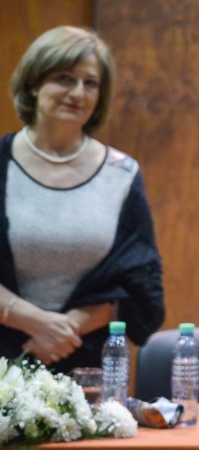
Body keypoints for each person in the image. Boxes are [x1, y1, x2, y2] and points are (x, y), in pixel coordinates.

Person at [0, 26, 165, 374]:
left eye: (90, 83)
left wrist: (65, 328)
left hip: (88, 371)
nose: (77, 93)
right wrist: (34, 322)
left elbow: (141, 287)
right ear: (33, 83)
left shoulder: (122, 174)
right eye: (64, 78)